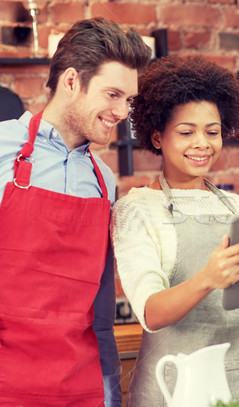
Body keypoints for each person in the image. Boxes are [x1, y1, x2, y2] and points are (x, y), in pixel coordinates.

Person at [110, 55, 239, 405]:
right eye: (186, 132)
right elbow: (151, 313)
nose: (202, 143)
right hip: (175, 388)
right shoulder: (137, 208)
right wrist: (208, 277)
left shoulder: (236, 208)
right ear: (157, 137)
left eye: (213, 131)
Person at [0, 18, 151, 406]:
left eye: (129, 100)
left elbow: (100, 307)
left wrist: (109, 392)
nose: (122, 111)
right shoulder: (2, 150)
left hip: (81, 385)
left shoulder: (103, 179)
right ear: (71, 82)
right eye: (113, 94)